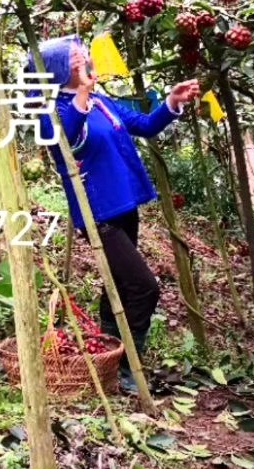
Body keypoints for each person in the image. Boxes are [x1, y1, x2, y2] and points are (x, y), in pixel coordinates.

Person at [31, 37, 201, 393]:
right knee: (143, 288)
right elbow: (64, 140)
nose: (86, 62)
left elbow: (144, 125)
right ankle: (125, 367)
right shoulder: (51, 113)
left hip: (124, 205)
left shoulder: (100, 102)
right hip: (98, 215)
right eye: (78, 60)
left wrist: (172, 101)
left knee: (121, 285)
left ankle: (107, 357)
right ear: (61, 71)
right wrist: (81, 94)